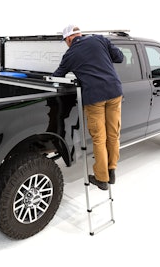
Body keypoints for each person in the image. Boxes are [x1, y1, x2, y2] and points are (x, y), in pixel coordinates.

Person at [52, 25, 124, 190]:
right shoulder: (99, 39)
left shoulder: (70, 54)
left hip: (94, 97)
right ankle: (112, 170)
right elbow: (119, 57)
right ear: (79, 34)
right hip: (114, 92)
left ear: (69, 39)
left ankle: (102, 178)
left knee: (99, 138)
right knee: (113, 134)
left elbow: (57, 77)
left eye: (66, 42)